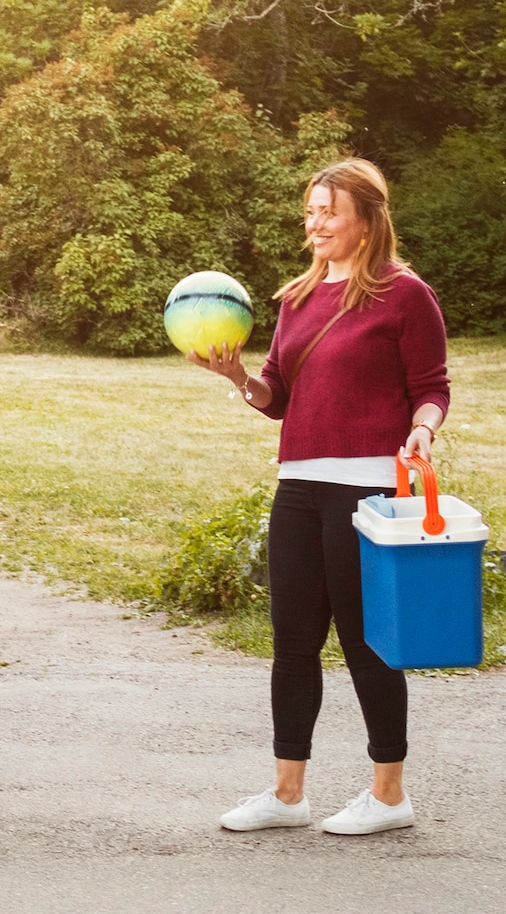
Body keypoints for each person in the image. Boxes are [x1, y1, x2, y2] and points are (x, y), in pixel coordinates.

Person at [189, 157, 448, 837]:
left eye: (329, 211)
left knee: (369, 644)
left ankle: (389, 796)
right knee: (293, 643)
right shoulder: (296, 298)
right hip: (299, 486)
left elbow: (433, 386)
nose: (315, 224)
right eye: (310, 211)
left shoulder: (404, 294)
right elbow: (276, 394)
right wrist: (239, 377)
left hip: (366, 489)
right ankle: (287, 793)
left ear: (366, 220)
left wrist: (422, 431)